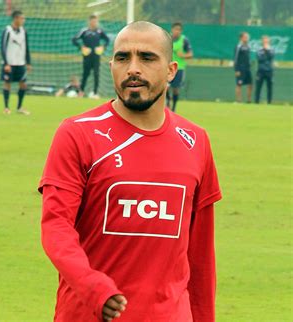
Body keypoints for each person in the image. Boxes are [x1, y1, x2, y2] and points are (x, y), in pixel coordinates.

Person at [39, 21, 221, 322]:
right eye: (123, 58)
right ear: (111, 65)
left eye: (147, 58)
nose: (133, 68)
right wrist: (91, 284)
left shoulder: (195, 141)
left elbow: (200, 255)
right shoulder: (77, 134)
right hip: (87, 313)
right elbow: (56, 227)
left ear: (171, 71)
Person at [1, 10, 31, 115]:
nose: (23, 20)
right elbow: (3, 47)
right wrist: (6, 63)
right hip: (10, 63)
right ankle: (6, 107)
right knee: (7, 84)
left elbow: (26, 47)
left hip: (21, 63)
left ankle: (19, 107)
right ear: (16, 19)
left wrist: (28, 62)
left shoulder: (23, 31)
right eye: (22, 18)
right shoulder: (7, 30)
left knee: (23, 85)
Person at [72, 14, 110, 99]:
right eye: (92, 21)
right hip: (87, 56)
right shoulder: (84, 31)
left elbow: (107, 40)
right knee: (85, 74)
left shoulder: (99, 31)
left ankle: (95, 93)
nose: (94, 23)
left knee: (96, 73)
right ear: (89, 21)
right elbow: (74, 39)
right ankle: (81, 92)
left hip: (96, 56)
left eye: (95, 21)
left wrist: (103, 47)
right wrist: (81, 47)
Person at [166, 22, 193, 112]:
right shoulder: (167, 38)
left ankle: (173, 107)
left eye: (179, 30)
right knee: (165, 86)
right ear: (172, 30)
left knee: (175, 89)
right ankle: (167, 102)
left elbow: (190, 54)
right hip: (167, 67)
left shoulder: (184, 40)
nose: (177, 31)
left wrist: (183, 56)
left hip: (179, 68)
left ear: (181, 31)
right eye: (175, 29)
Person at [255, 35, 274, 104]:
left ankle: (269, 102)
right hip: (260, 71)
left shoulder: (271, 49)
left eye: (267, 40)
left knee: (270, 87)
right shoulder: (259, 50)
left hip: (269, 71)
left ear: (269, 41)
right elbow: (260, 59)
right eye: (264, 40)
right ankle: (256, 102)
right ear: (262, 41)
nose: (265, 41)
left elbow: (271, 57)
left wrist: (267, 50)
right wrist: (265, 53)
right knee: (258, 87)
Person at [234, 32, 252, 103]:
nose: (247, 38)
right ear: (241, 38)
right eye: (246, 37)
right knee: (239, 84)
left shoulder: (248, 46)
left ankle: (249, 100)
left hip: (247, 69)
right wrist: (236, 70)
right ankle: (239, 100)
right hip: (240, 69)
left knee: (250, 84)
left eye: (248, 37)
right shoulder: (238, 46)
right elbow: (235, 59)